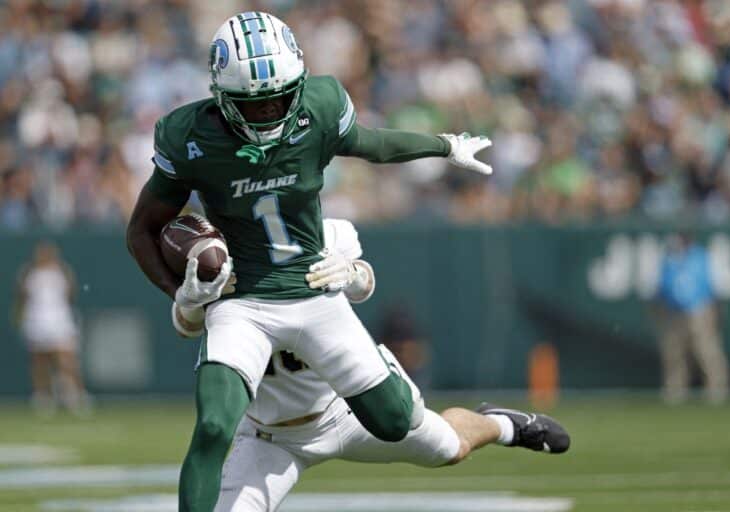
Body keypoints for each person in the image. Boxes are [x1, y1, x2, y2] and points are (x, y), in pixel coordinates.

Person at [125, 11, 495, 512]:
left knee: (391, 422)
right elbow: (141, 229)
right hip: (243, 303)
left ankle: (421, 394)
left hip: (313, 291)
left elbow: (372, 143)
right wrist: (183, 295)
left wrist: (444, 145)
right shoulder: (190, 136)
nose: (270, 112)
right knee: (213, 425)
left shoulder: (320, 106)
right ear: (223, 98)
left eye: (279, 98)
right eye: (254, 105)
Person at [172, 218, 571, 512]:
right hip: (269, 438)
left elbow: (364, 284)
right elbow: (186, 326)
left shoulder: (322, 232)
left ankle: (504, 425)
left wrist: (351, 273)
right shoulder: (216, 259)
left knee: (451, 447)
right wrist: (190, 299)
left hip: (348, 407)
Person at [13, 241, 90, 416]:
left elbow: (71, 293)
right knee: (40, 361)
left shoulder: (62, 271)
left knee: (67, 360)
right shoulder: (29, 274)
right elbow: (21, 297)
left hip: (59, 319)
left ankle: (75, 396)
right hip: (36, 320)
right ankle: (43, 398)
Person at [654, 232, 730, 404]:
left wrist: (712, 311)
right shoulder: (670, 259)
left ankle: (717, 390)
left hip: (699, 311)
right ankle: (675, 391)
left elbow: (709, 285)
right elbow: (662, 286)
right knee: (674, 354)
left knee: (707, 351)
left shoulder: (700, 257)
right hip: (674, 313)